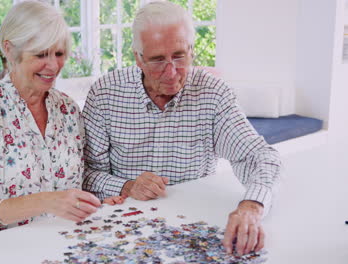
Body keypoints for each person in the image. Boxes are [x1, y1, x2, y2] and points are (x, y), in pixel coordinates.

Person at [82, 1, 281, 256]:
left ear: (192, 50)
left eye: (179, 56)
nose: (171, 72)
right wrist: (127, 186)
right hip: (122, 231)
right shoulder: (105, 93)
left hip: (193, 229)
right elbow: (85, 173)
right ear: (138, 58)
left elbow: (262, 157)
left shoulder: (214, 94)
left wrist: (251, 207)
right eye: (157, 60)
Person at [0, 1, 122, 241]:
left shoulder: (68, 109)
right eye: (41, 54)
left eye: (59, 53)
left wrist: (94, 201)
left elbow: (74, 182)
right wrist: (46, 201)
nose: (53, 66)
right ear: (10, 50)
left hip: (57, 244)